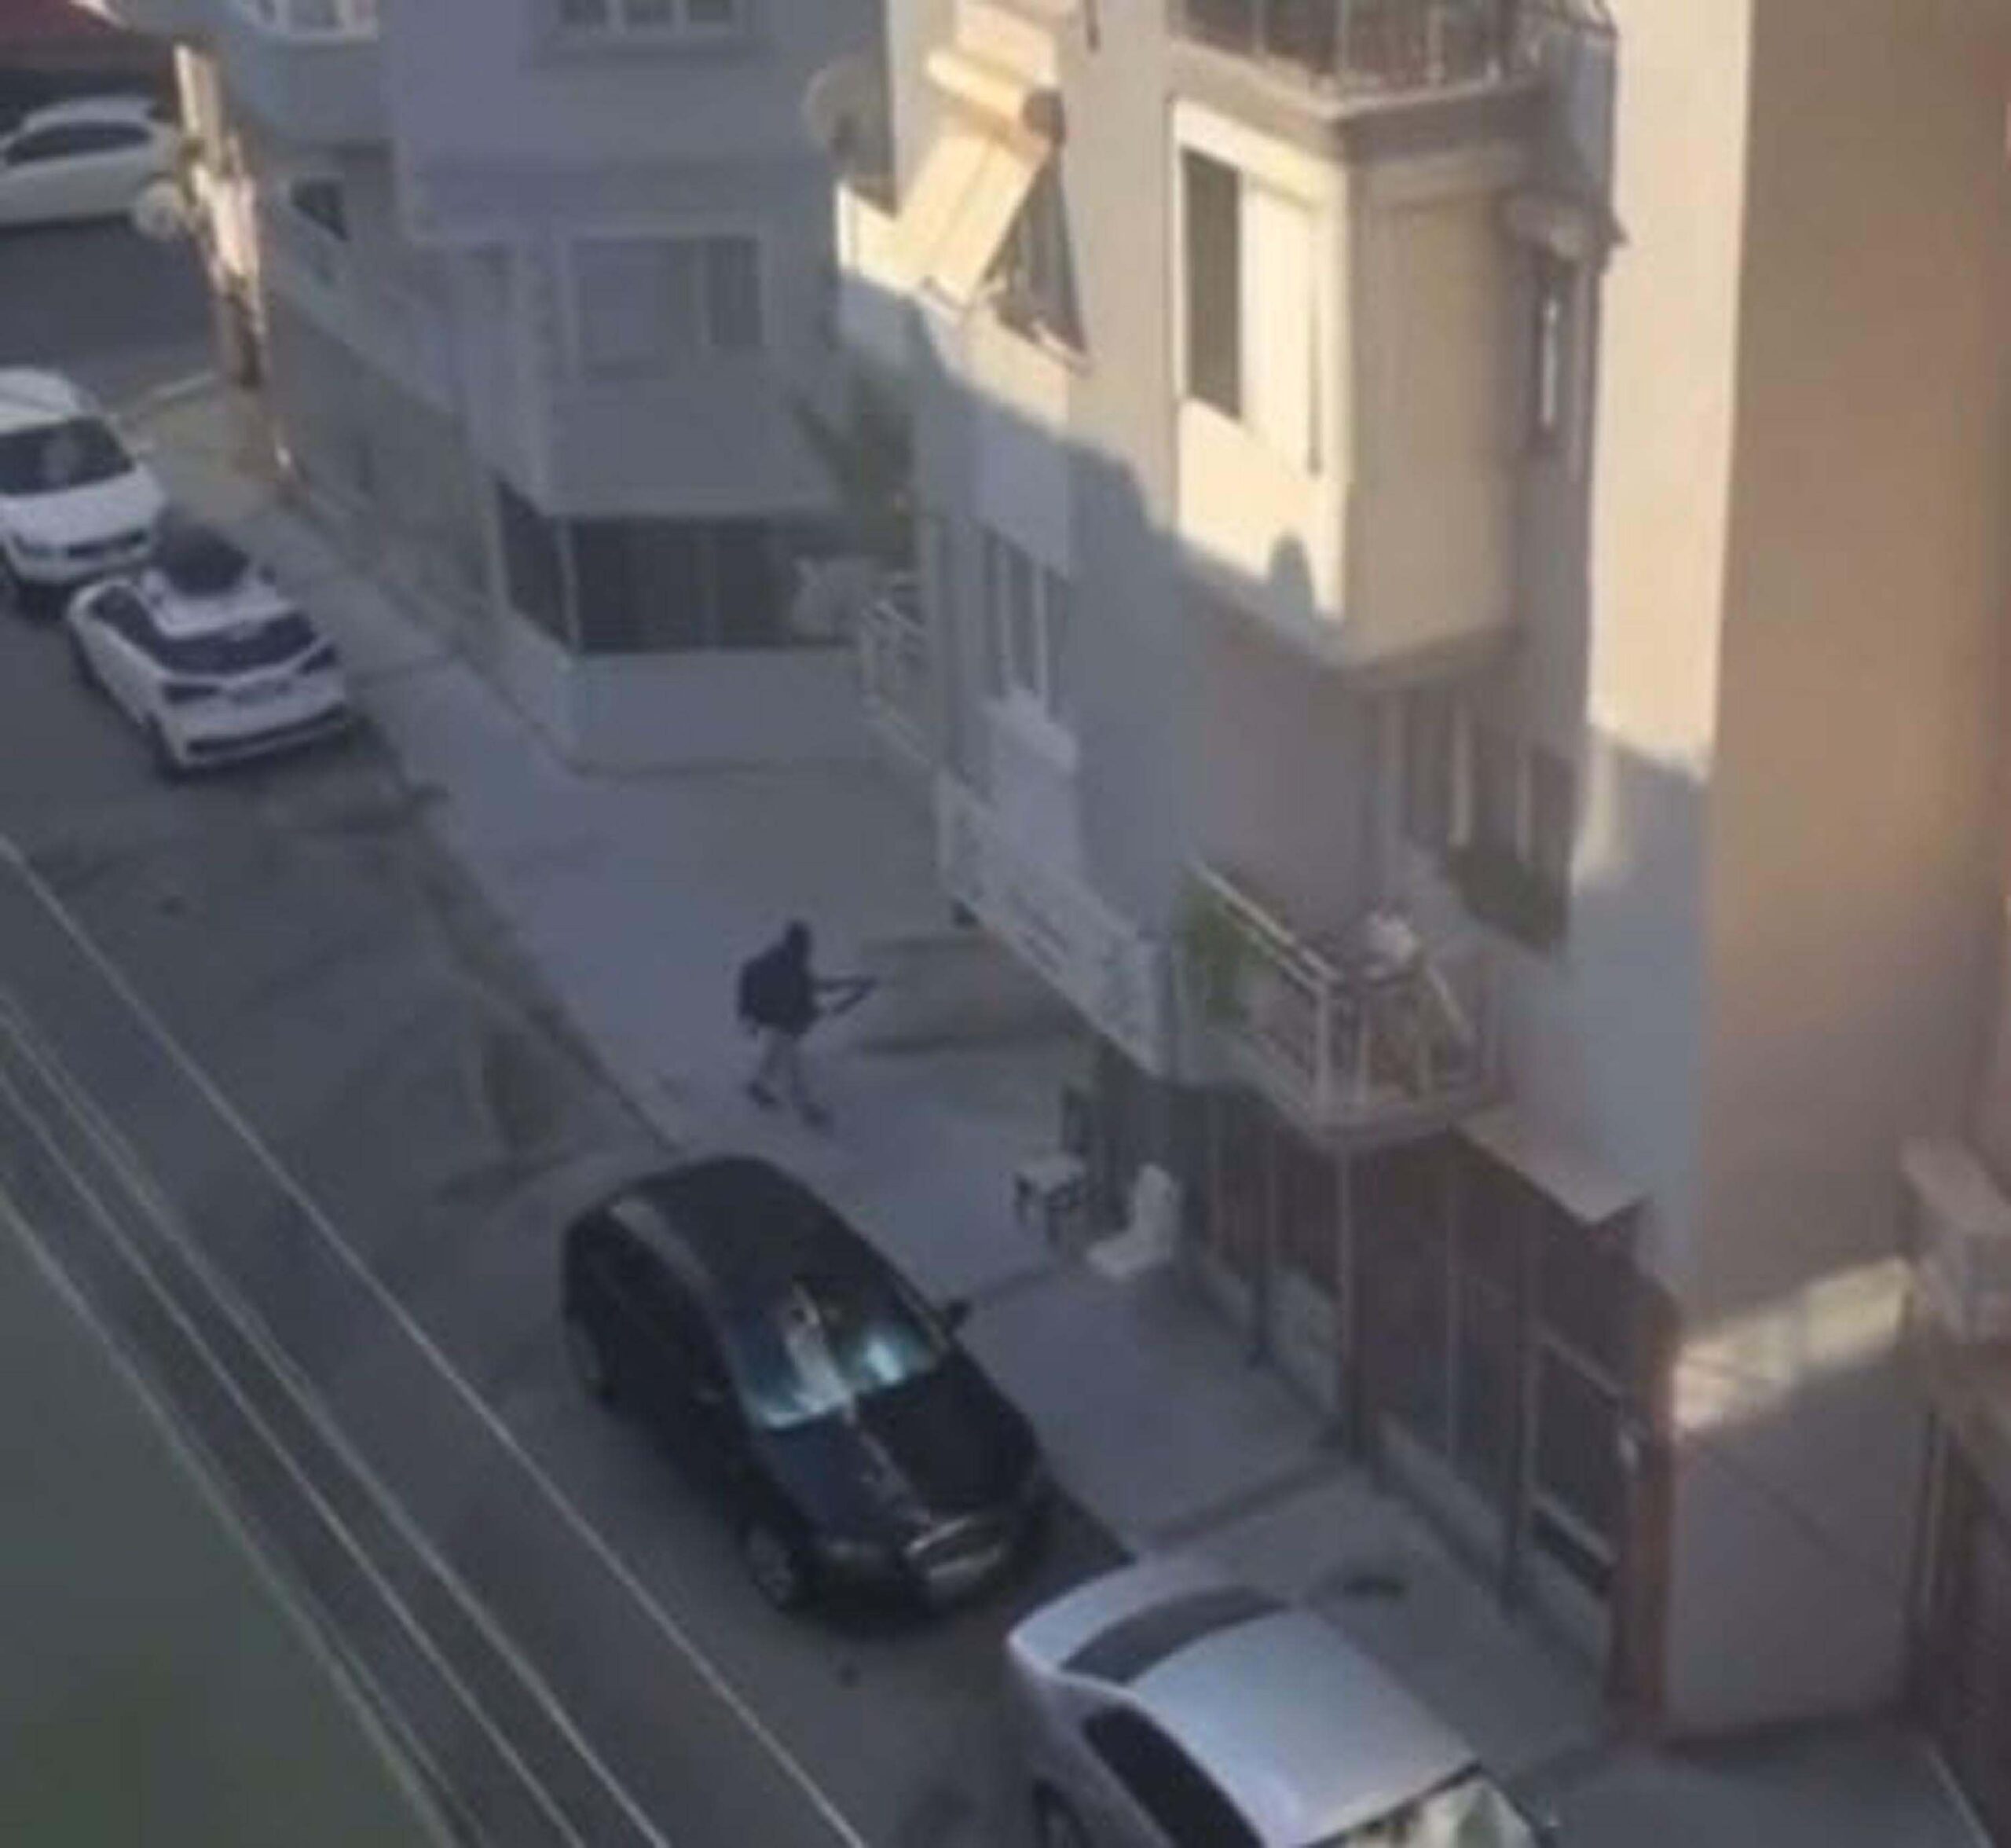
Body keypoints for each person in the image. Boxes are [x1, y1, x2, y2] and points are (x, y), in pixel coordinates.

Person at [738, 921, 847, 1128]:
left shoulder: (781, 959)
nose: (809, 950)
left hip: (775, 1019)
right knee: (793, 1065)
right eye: (807, 945)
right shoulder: (788, 968)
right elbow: (797, 997)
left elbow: (807, 985)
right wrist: (815, 1012)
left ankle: (757, 1085)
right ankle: (806, 1109)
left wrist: (834, 987)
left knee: (775, 1050)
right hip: (781, 1020)